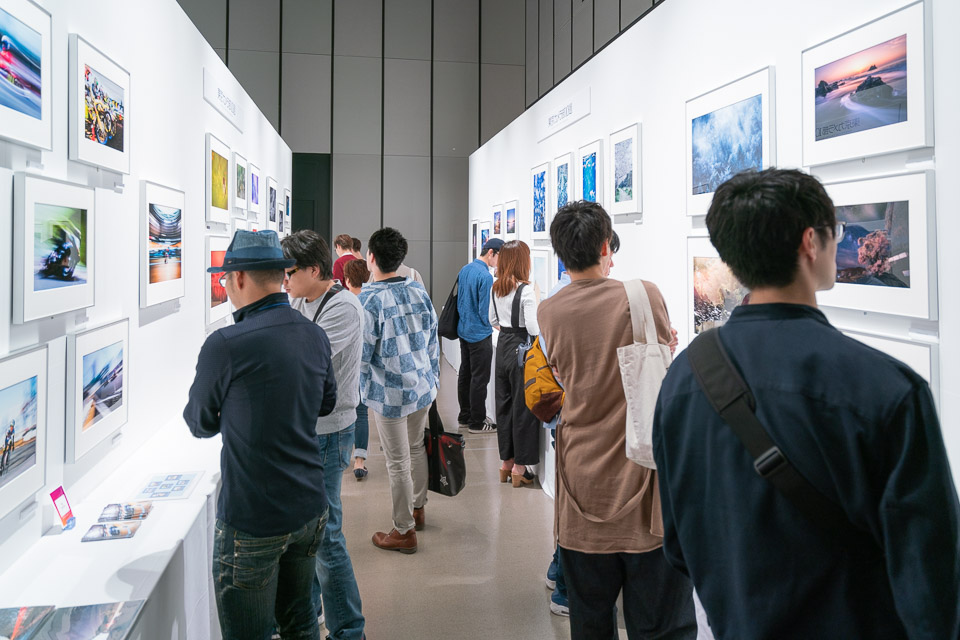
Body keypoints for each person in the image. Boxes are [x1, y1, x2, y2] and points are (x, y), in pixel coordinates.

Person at [653, 169, 960, 638]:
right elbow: (934, 587)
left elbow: (677, 544)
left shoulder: (683, 377)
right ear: (810, 243)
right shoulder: (889, 391)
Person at [538, 201, 696, 639]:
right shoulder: (643, 293)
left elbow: (572, 370)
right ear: (606, 246)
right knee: (660, 623)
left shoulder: (549, 312)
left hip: (581, 482)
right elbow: (659, 358)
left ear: (560, 255)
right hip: (643, 483)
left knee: (590, 619)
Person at [183, 230, 336, 640]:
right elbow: (325, 403)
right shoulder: (313, 334)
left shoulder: (225, 345)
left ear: (240, 279)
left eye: (225, 279)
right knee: (300, 619)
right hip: (308, 506)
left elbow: (198, 422)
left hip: (253, 518)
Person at [281, 230, 366, 640]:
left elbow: (301, 359)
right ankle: (312, 608)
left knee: (327, 533)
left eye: (291, 271)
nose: (285, 280)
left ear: (315, 270)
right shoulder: (299, 298)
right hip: (304, 427)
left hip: (330, 430)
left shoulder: (344, 308)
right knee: (308, 529)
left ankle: (349, 630)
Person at [359, 227, 439, 554]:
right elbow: (432, 339)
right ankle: (417, 509)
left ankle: (404, 531)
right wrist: (432, 377)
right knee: (416, 447)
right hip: (421, 386)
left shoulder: (368, 300)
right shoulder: (418, 290)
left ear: (372, 258)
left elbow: (361, 355)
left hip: (389, 393)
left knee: (397, 460)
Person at [489, 240, 541, 487]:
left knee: (504, 406)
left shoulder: (496, 287)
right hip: (522, 349)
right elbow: (533, 327)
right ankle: (521, 467)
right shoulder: (527, 291)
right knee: (522, 408)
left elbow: (492, 319)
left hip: (502, 347)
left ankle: (505, 464)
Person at [456, 238, 502, 434]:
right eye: (500, 257)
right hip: (479, 334)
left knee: (465, 374)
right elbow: (486, 312)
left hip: (464, 331)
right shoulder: (485, 276)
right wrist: (499, 324)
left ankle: (464, 416)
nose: (500, 263)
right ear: (491, 253)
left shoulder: (465, 269)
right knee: (479, 379)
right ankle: (477, 421)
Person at [343, 258, 372, 479]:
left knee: (344, 412)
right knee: (361, 412)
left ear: (346, 280)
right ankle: (359, 460)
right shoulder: (371, 301)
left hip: (346, 366)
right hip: (366, 365)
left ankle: (342, 455)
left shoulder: (343, 303)